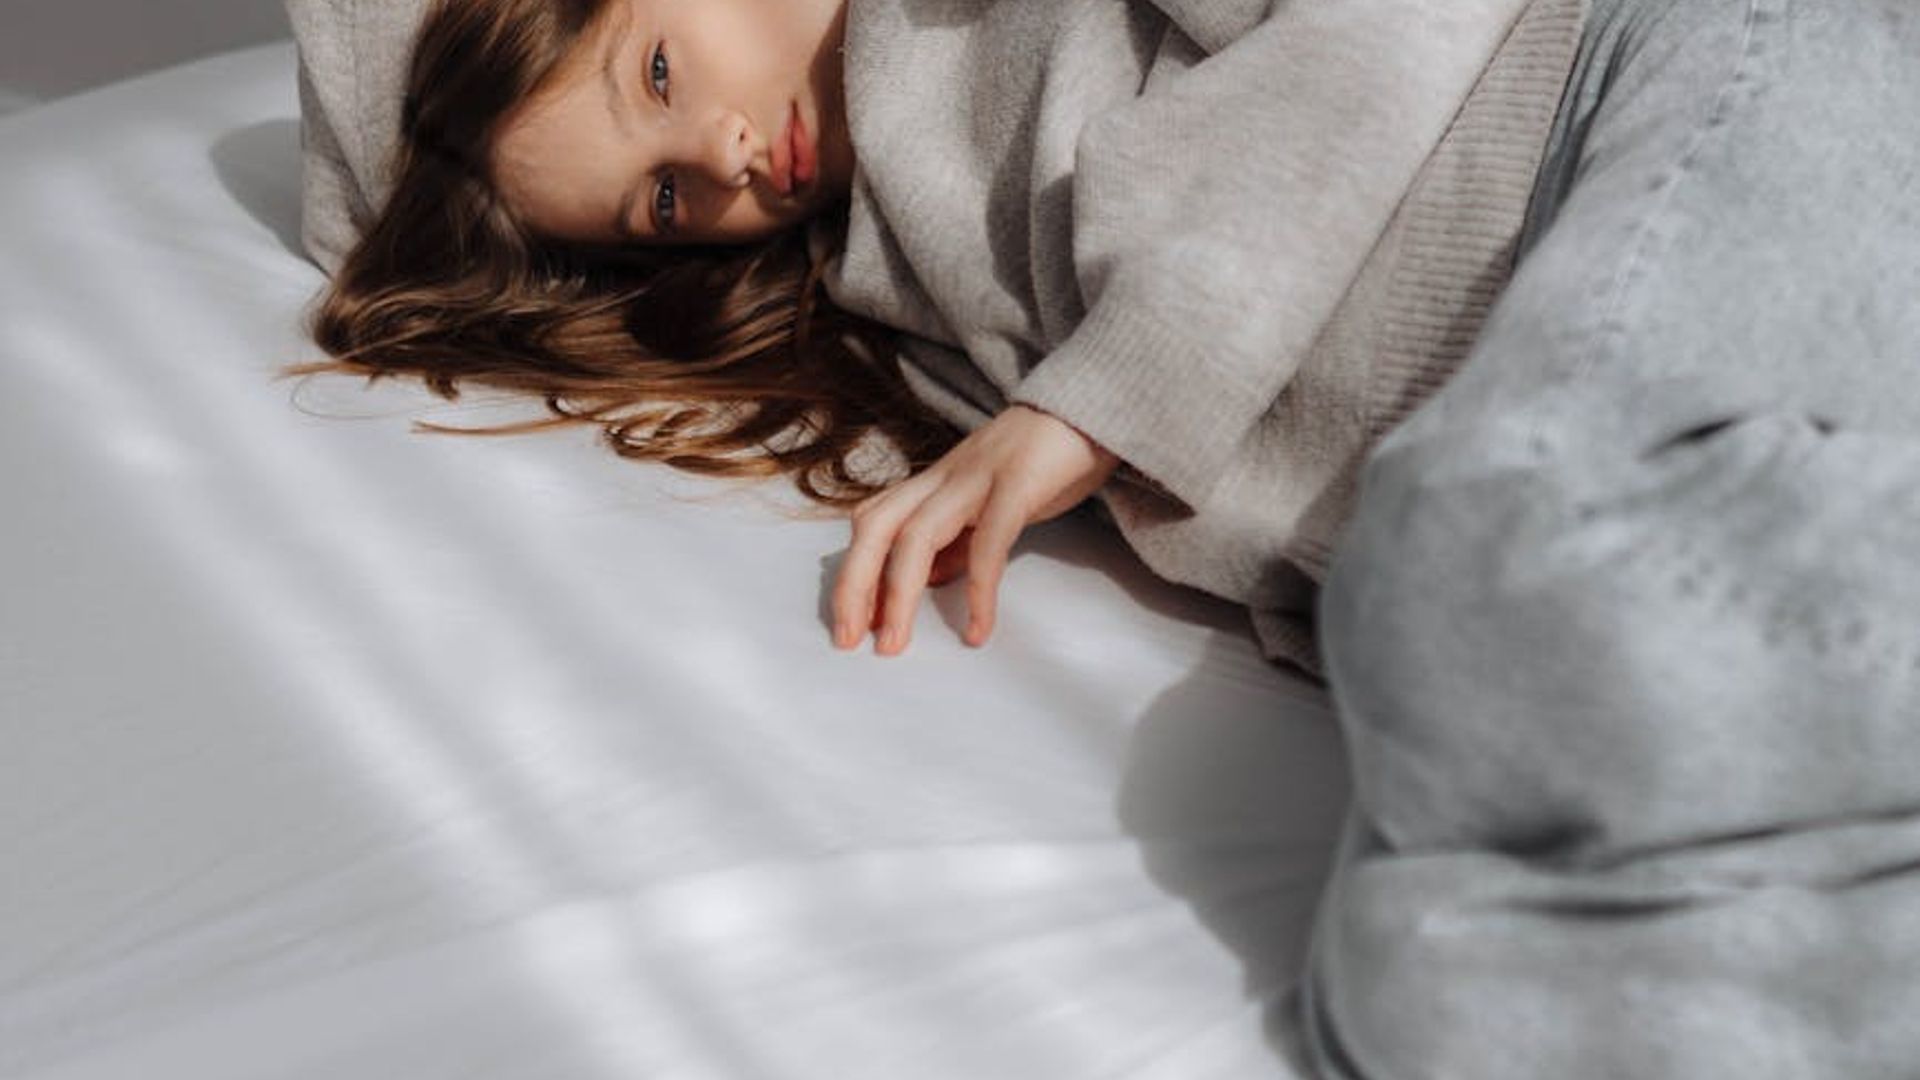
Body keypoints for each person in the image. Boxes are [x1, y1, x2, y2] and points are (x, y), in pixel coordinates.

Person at [287, 0, 1920, 1074]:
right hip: (1606, 464)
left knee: (1477, 581)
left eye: (656, 73)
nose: (719, 164)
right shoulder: (892, 296)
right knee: (1419, 993)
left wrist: (1105, 401)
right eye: (658, 204)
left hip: (1705, 78)